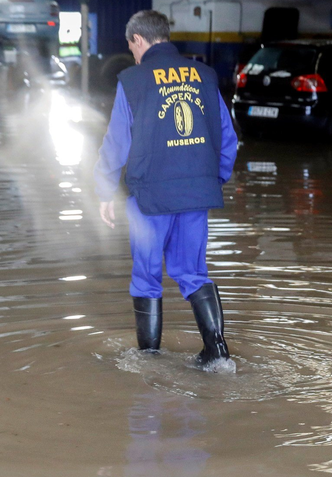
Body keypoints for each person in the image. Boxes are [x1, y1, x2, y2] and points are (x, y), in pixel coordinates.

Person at [94, 10, 238, 371]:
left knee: (146, 276)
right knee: (192, 271)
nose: (133, 54)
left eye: (132, 47)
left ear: (138, 40)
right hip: (196, 194)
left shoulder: (132, 80)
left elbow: (116, 144)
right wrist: (211, 181)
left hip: (150, 199)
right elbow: (229, 139)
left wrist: (103, 190)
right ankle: (217, 352)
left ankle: (149, 362)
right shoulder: (205, 75)